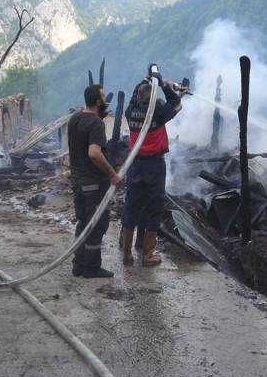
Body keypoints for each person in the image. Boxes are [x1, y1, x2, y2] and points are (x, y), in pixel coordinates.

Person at [121, 66, 183, 266]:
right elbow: (175, 102)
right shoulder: (157, 112)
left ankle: (127, 254)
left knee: (132, 206)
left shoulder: (130, 111)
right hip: (154, 165)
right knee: (154, 208)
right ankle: (147, 255)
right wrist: (163, 83)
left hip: (135, 164)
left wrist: (145, 80)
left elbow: (133, 96)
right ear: (153, 97)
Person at [68, 84, 124, 278]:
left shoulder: (74, 118)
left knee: (83, 222)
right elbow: (94, 153)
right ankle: (91, 268)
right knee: (97, 224)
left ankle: (79, 264)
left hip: (77, 181)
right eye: (103, 98)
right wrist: (112, 174)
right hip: (93, 183)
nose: (105, 102)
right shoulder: (96, 124)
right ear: (98, 101)